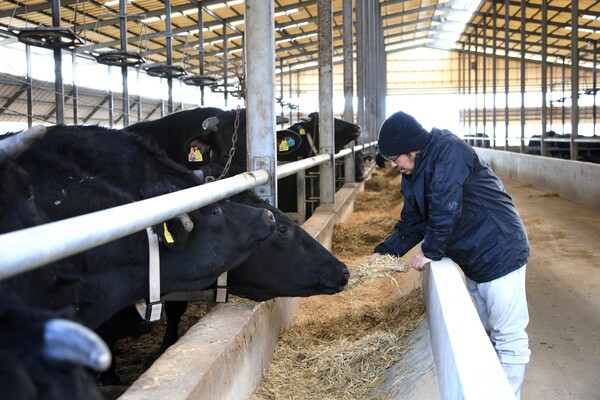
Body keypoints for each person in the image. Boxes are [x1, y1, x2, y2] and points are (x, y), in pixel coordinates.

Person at [371, 111, 531, 399]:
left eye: (395, 158)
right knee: (487, 329)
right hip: (474, 255)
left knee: (508, 334)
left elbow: (446, 205)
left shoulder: (450, 151)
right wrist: (385, 251)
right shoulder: (413, 172)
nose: (393, 165)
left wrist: (430, 250)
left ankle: (510, 394)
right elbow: (412, 221)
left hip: (500, 249)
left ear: (412, 148)